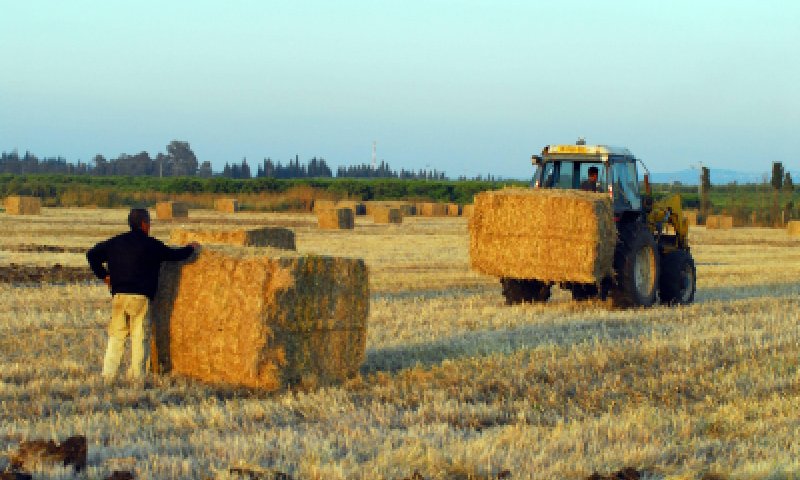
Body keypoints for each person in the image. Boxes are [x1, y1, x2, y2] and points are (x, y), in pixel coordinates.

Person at [87, 208, 199, 384]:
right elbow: (174, 255)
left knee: (116, 336)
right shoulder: (151, 245)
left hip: (119, 296)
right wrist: (191, 248)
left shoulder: (116, 242)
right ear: (145, 224)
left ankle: (108, 376)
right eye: (149, 222)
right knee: (140, 337)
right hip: (140, 299)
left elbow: (91, 254)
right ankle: (137, 377)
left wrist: (104, 275)